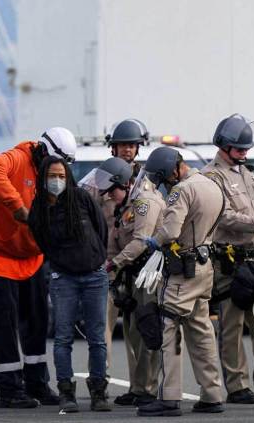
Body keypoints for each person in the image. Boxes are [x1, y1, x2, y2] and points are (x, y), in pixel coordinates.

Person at [0, 127, 77, 408]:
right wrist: (17, 206)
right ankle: (8, 390)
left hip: (31, 259)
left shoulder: (53, 176)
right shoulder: (17, 158)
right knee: (4, 326)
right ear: (42, 151)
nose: (55, 172)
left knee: (37, 323)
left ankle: (37, 384)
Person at [203, 114, 254, 404]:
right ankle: (237, 385)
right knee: (232, 325)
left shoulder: (249, 174)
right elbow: (224, 217)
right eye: (239, 150)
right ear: (224, 146)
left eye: (246, 150)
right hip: (231, 261)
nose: (244, 154)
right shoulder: (211, 177)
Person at [137, 147, 227, 417]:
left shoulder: (181, 190)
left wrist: (156, 240)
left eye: (163, 179)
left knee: (169, 331)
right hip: (204, 266)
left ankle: (169, 396)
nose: (164, 185)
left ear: (172, 172)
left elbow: (173, 230)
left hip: (181, 270)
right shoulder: (211, 185)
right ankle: (212, 394)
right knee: (201, 331)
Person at [28, 155, 112, 412]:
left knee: (97, 337)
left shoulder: (81, 198)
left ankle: (99, 392)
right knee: (63, 337)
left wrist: (95, 259)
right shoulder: (39, 210)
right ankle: (67, 392)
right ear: (43, 178)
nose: (57, 181)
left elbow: (101, 231)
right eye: (52, 176)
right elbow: (42, 244)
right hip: (63, 278)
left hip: (95, 276)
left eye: (61, 176)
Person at [100, 119, 161, 407]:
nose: (127, 150)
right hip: (105, 264)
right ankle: (101, 384)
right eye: (123, 144)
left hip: (136, 266)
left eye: (132, 145)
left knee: (140, 328)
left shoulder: (145, 184)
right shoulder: (98, 180)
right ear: (113, 146)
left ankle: (143, 387)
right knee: (104, 329)